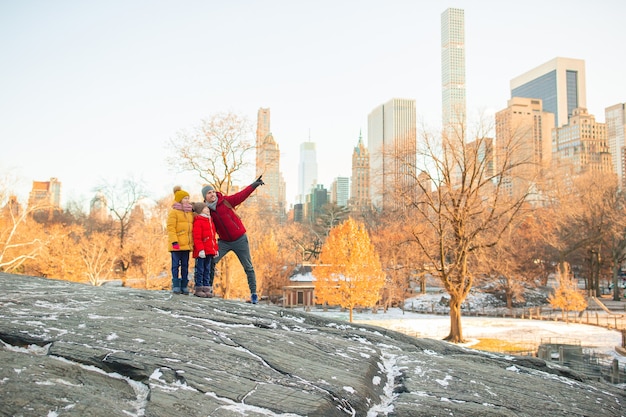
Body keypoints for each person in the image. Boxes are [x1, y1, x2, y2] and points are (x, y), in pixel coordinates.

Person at [201, 175, 264, 304]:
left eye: (213, 191)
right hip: (224, 242)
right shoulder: (206, 211)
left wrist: (254, 184)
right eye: (209, 193)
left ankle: (253, 295)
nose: (212, 194)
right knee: (211, 260)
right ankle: (208, 289)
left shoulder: (225, 201)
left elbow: (242, 195)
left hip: (240, 239)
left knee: (248, 267)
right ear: (205, 197)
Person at [166, 186, 193, 295]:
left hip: (186, 244)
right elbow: (171, 227)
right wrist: (174, 241)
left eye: (188, 198)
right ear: (180, 199)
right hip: (176, 244)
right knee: (175, 265)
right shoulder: (174, 212)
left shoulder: (189, 212)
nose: (187, 200)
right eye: (185, 198)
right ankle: (176, 285)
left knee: (185, 266)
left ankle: (184, 285)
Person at [191, 202, 218, 298]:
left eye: (207, 208)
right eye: (205, 208)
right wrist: (200, 250)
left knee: (208, 269)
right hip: (201, 251)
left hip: (210, 250)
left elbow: (213, 237)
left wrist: (215, 249)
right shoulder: (198, 221)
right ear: (200, 210)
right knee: (200, 269)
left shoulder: (210, 221)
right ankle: (199, 288)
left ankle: (206, 288)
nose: (208, 210)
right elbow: (197, 237)